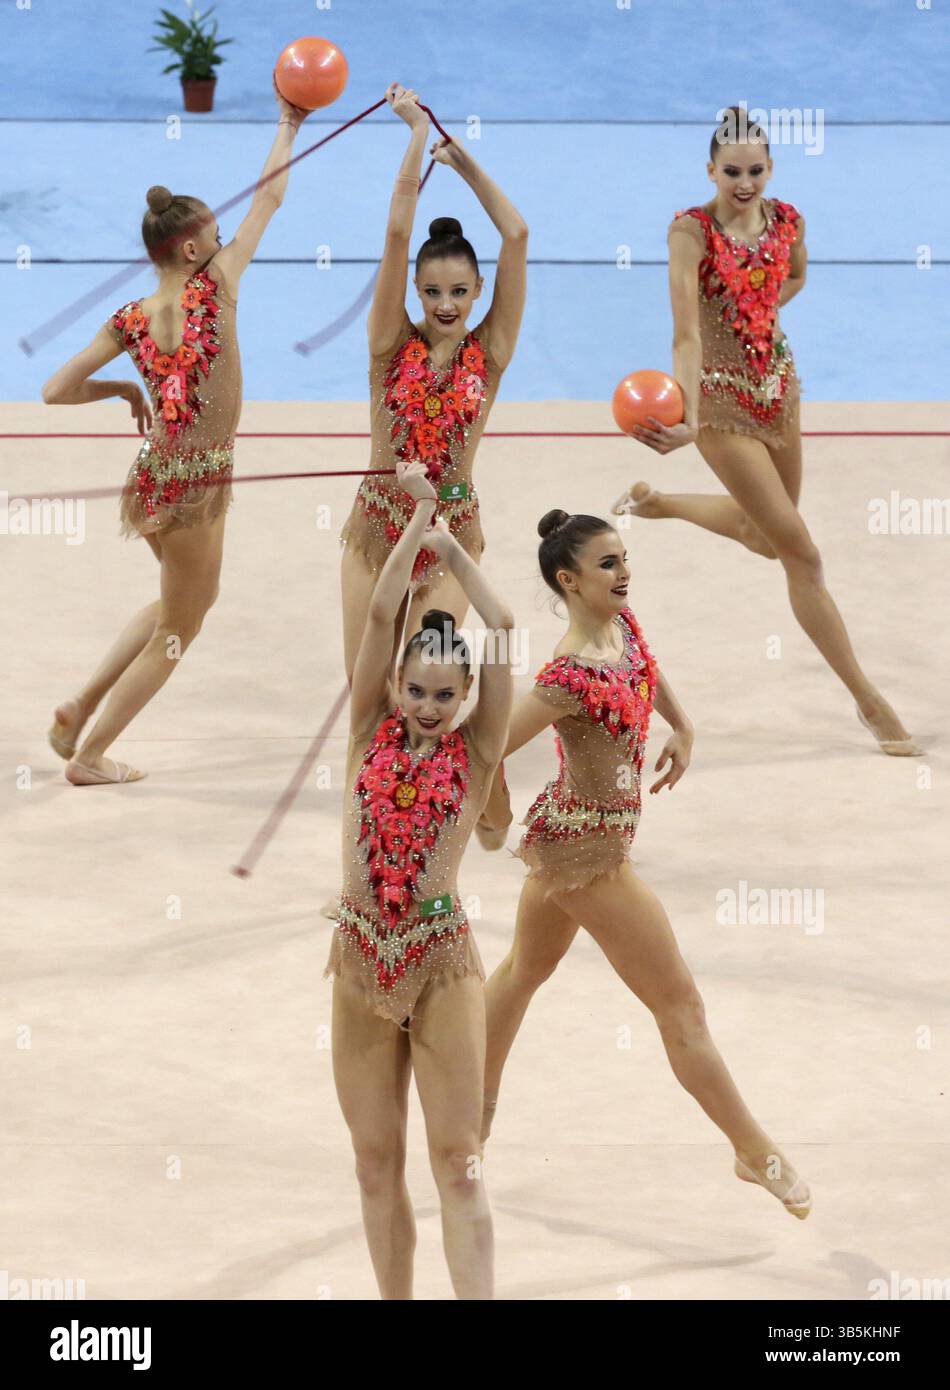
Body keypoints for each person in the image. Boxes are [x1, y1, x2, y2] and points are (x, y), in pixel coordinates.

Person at [477, 510, 812, 1220]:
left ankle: (464, 1124)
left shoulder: (621, 628)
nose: (623, 572)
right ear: (569, 580)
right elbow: (485, 747)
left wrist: (683, 724)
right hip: (587, 855)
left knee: (520, 974)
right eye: (606, 565)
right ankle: (754, 1151)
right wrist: (491, 813)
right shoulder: (565, 677)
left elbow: (647, 671)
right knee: (680, 1007)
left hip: (578, 837)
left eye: (623, 559)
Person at [613, 105, 919, 756]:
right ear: (710, 170)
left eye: (755, 171)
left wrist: (758, 306)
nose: (744, 182)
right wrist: (690, 416)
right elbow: (687, 332)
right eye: (732, 172)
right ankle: (869, 701)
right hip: (722, 407)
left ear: (771, 169)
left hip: (781, 391)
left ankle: (657, 505)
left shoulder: (788, 221)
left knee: (763, 535)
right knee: (802, 555)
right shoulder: (689, 233)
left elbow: (797, 273)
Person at [43, 79, 311, 783]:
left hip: (153, 473)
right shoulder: (216, 286)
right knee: (180, 628)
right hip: (195, 485)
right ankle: (92, 753)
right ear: (192, 250)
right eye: (215, 238)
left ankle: (80, 705)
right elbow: (271, 197)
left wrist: (121, 386)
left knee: (175, 603)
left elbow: (54, 391)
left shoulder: (129, 316)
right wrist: (291, 123)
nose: (226, 244)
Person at [325, 458, 514, 1298]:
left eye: (445, 692)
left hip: (439, 966)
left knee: (458, 1163)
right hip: (360, 957)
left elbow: (503, 624)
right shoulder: (367, 728)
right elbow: (376, 610)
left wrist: (452, 545)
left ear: (467, 694)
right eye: (417, 689)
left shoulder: (477, 755)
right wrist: (416, 518)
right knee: (373, 1163)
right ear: (395, 686)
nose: (429, 706)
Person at [339, 82, 527, 688]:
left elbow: (517, 236)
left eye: (460, 291)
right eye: (432, 291)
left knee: (429, 688)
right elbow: (397, 237)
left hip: (450, 534)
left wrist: (466, 164)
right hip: (378, 526)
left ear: (477, 292)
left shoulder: (490, 352)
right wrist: (417, 135)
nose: (446, 305)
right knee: (369, 694)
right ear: (416, 292)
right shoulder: (389, 342)